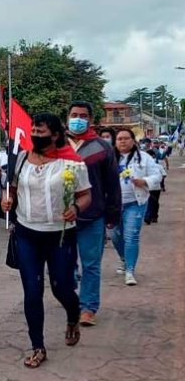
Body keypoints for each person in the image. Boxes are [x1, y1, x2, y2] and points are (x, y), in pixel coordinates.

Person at [1, 113, 92, 369]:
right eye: (33, 131)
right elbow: (14, 189)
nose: (35, 136)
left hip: (60, 234)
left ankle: (73, 316)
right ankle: (37, 346)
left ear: (55, 135)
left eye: (41, 132)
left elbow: (86, 196)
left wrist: (76, 207)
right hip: (27, 232)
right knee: (32, 291)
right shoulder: (21, 159)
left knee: (62, 288)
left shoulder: (73, 163)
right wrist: (6, 201)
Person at [65, 101, 121, 327]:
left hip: (93, 216)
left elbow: (112, 184)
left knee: (91, 264)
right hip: (61, 218)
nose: (78, 118)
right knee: (64, 265)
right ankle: (70, 298)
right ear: (67, 117)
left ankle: (88, 307)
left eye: (83, 115)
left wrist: (112, 214)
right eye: (74, 114)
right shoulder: (56, 145)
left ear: (90, 119)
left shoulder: (102, 147)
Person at [111, 128, 162, 285]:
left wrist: (145, 181)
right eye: (119, 139)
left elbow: (157, 174)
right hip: (113, 204)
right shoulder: (109, 158)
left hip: (135, 203)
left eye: (126, 138)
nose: (123, 141)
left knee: (131, 236)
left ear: (133, 141)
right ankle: (125, 259)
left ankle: (130, 271)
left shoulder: (144, 157)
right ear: (115, 142)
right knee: (115, 235)